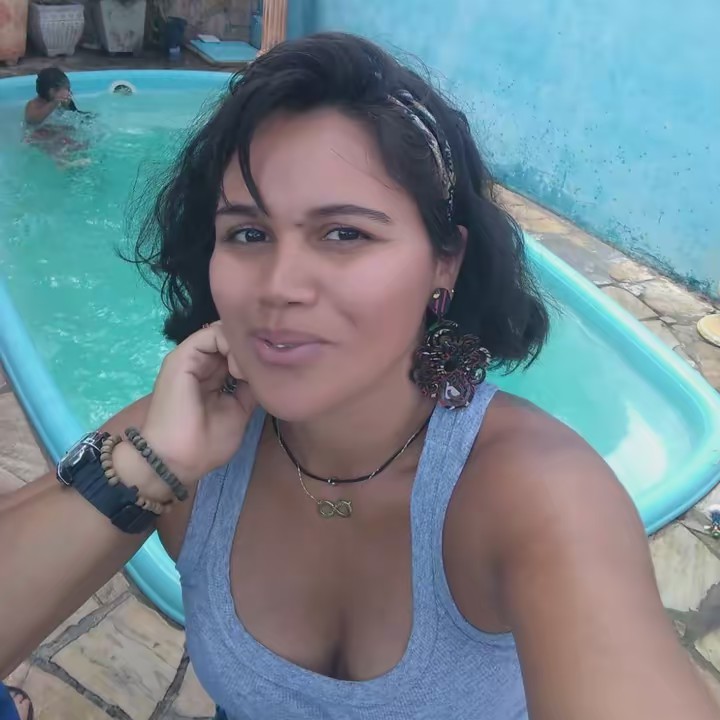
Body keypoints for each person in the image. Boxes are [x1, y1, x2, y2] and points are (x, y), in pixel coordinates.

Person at [0, 33, 717, 720]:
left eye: (345, 233)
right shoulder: (186, 444)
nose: (279, 286)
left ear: (444, 262)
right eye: (248, 233)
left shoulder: (534, 493)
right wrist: (151, 469)